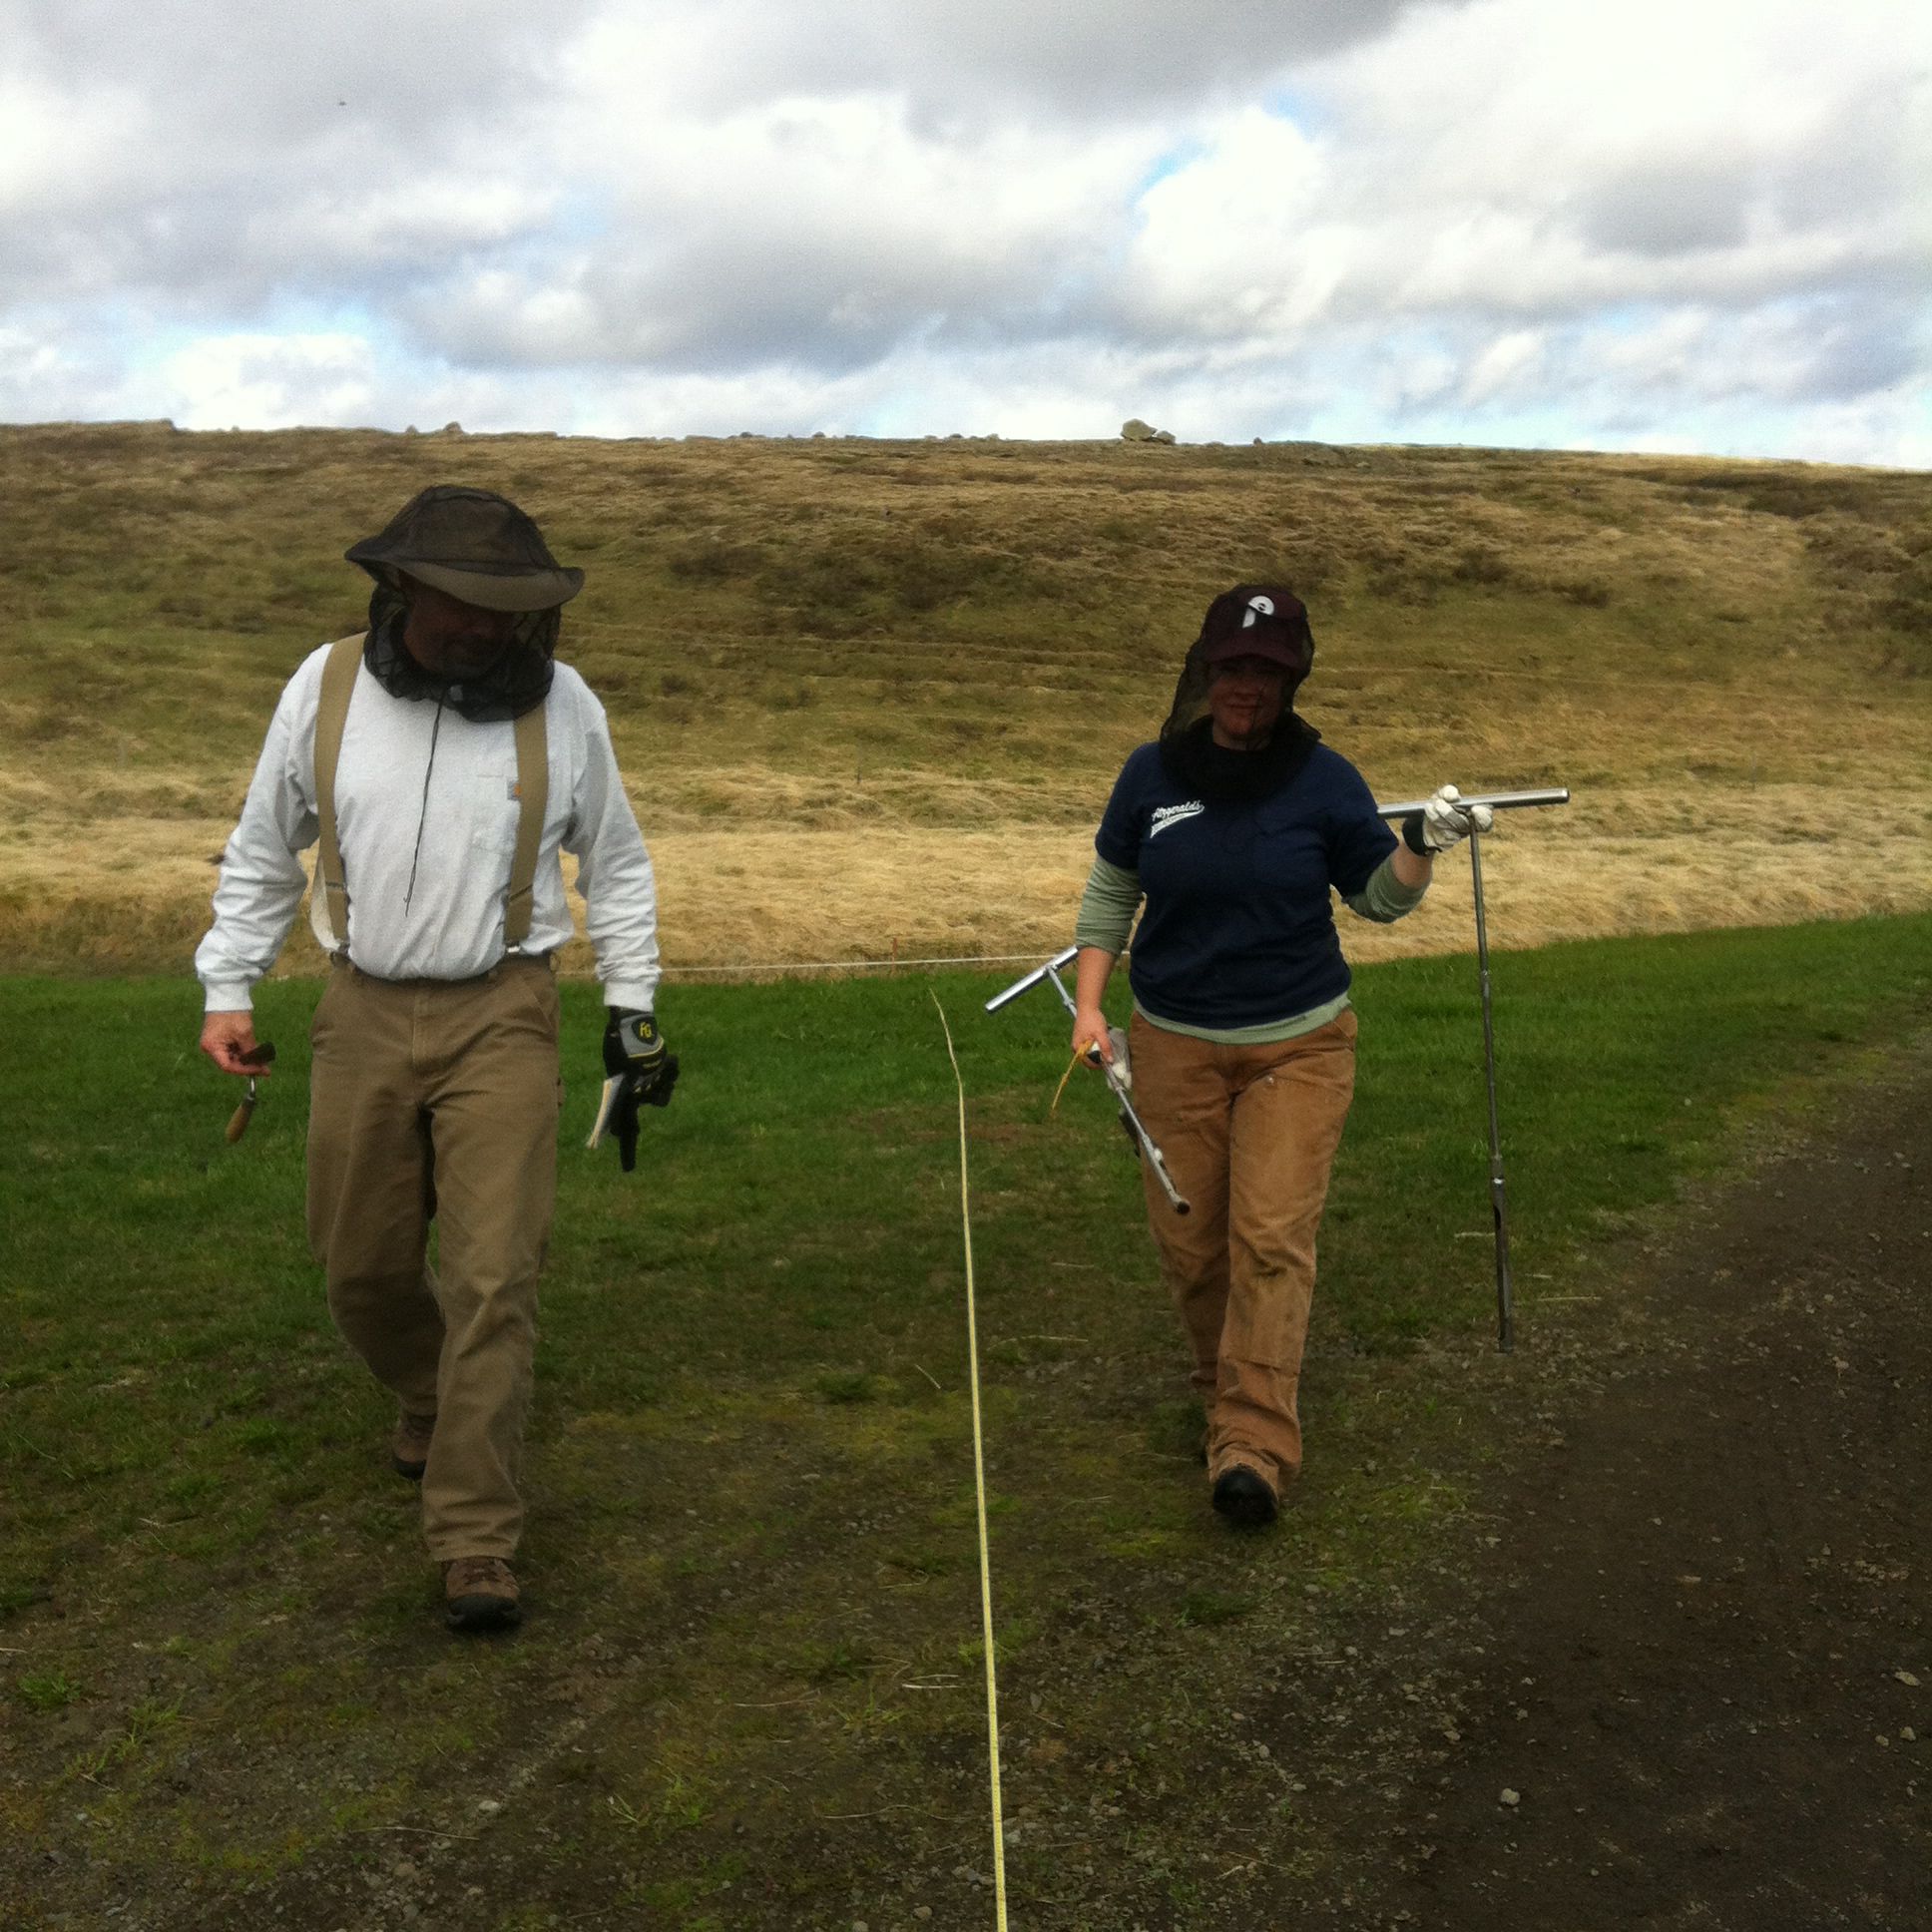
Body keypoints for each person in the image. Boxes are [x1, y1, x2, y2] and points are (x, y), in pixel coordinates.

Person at [196, 485, 676, 1631]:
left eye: (505, 609)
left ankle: (474, 1538)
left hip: (503, 1011)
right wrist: (228, 983)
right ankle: (429, 1388)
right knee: (358, 1270)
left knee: (493, 1277)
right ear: (401, 590)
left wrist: (633, 1009)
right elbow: (268, 846)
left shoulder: (565, 707)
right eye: (461, 603)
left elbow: (614, 863)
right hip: (358, 1009)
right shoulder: (320, 689)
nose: (482, 628)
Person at [1068, 585, 1489, 1529]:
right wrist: (1091, 1008)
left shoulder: (1324, 780)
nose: (1246, 687)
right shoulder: (1151, 774)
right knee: (1192, 1246)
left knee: (1269, 1239)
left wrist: (1420, 847)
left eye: (1266, 670)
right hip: (1173, 1044)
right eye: (1232, 668)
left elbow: (1377, 898)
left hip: (1298, 1045)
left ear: (1291, 680)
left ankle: (1253, 1444)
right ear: (1207, 671)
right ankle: (1230, 1393)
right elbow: (1109, 897)